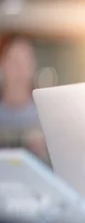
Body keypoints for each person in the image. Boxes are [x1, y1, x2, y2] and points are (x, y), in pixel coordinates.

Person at [0, 35, 47, 163]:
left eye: (26, 63)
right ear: (2, 65)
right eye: (15, 62)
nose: (21, 70)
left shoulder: (43, 116)